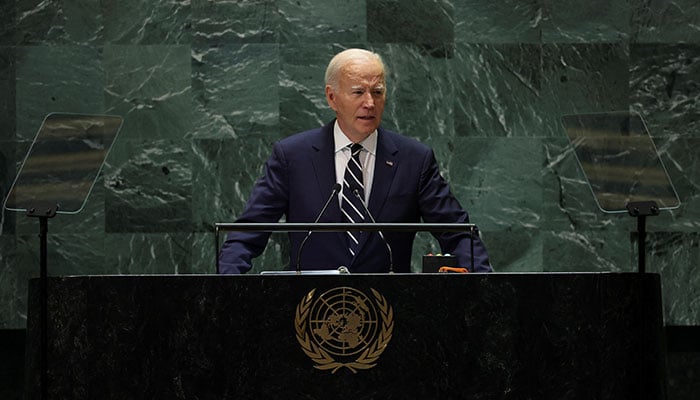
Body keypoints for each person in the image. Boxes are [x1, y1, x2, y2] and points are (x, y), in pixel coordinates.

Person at [218, 48, 491, 274]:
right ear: (332, 97)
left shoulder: (414, 160)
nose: (370, 103)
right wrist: (220, 289)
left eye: (378, 92)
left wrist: (489, 287)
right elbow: (246, 234)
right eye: (358, 92)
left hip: (389, 315)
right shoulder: (292, 156)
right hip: (310, 312)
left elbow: (458, 234)